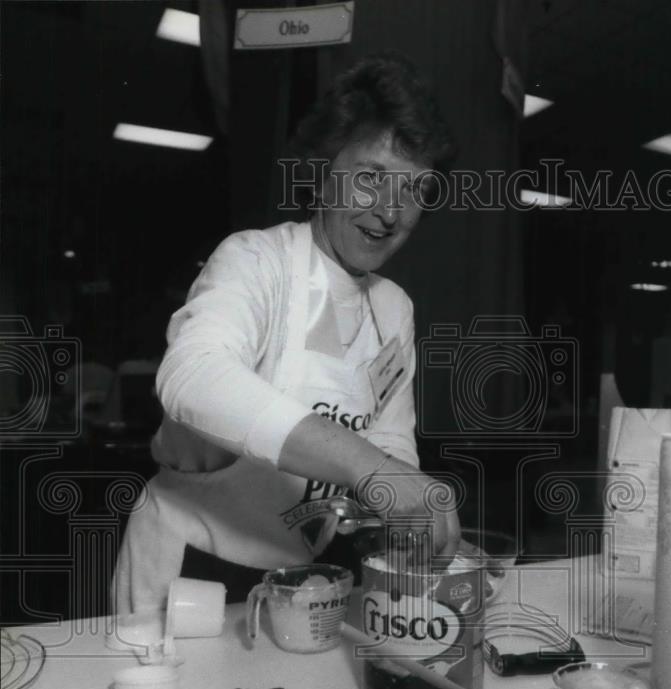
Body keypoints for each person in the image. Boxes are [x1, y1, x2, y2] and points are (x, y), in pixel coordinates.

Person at [113, 52, 460, 614]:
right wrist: (369, 468)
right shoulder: (256, 260)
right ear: (323, 173)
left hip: (305, 579)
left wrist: (411, 508)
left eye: (414, 190)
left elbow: (389, 436)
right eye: (371, 177)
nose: (390, 212)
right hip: (190, 567)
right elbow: (193, 376)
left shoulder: (393, 308)